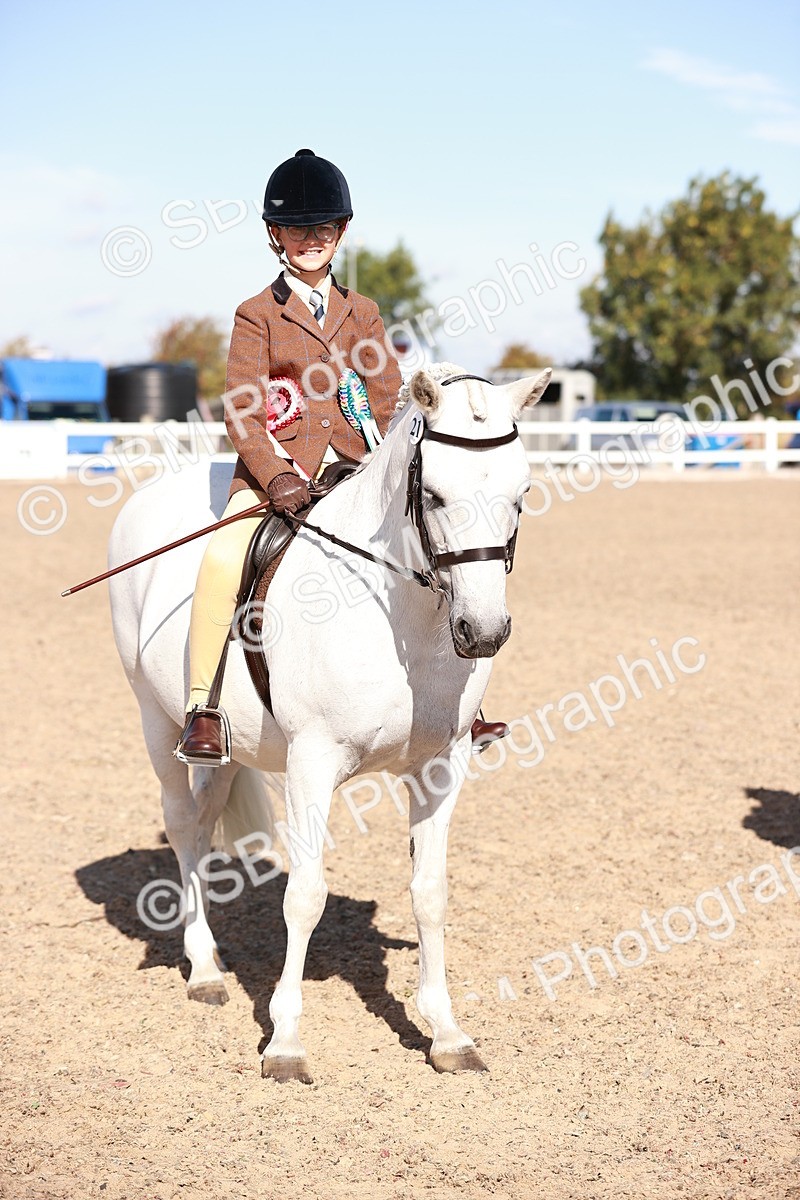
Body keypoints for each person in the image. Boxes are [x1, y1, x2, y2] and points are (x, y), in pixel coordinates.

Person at [175, 149, 508, 766]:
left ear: (341, 233)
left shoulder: (364, 314)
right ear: (276, 236)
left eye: (322, 229)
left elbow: (389, 403)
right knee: (224, 556)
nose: (310, 241)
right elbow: (243, 411)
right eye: (298, 230)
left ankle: (463, 703)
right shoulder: (257, 315)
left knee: (434, 544)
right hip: (279, 474)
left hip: (357, 470)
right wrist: (275, 476)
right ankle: (204, 706)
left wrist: (394, 464)